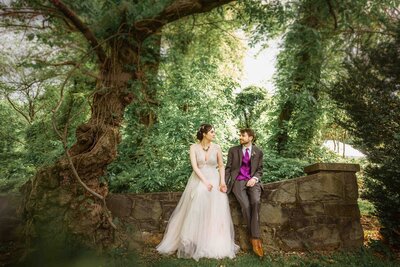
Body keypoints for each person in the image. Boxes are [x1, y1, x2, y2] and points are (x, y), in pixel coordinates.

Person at [156, 124, 239, 261]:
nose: (214, 134)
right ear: (204, 134)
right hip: (199, 178)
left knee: (216, 208)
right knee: (199, 196)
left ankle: (212, 241)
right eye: (212, 132)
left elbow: (221, 165)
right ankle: (191, 239)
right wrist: (205, 182)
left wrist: (222, 182)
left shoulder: (217, 147)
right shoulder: (193, 147)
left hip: (215, 178)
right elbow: (195, 167)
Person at [225, 128, 264, 258]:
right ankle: (255, 239)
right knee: (246, 206)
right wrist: (224, 183)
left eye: (243, 135)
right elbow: (228, 168)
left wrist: (254, 179)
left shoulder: (258, 152)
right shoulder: (233, 150)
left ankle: (254, 237)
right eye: (240, 135)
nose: (240, 137)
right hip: (238, 181)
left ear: (251, 137)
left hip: (252, 181)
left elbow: (260, 170)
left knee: (256, 202)